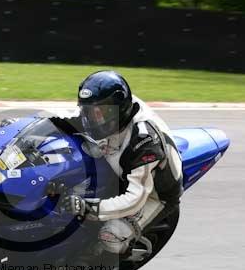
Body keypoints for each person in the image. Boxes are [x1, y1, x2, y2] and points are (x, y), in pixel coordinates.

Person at [63, 70, 183, 256]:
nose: (95, 119)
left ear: (121, 108)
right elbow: (67, 120)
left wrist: (90, 208)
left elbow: (135, 199)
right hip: (120, 164)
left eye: (102, 113)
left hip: (152, 194)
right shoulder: (108, 104)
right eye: (89, 112)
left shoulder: (143, 140)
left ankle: (116, 257)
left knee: (110, 236)